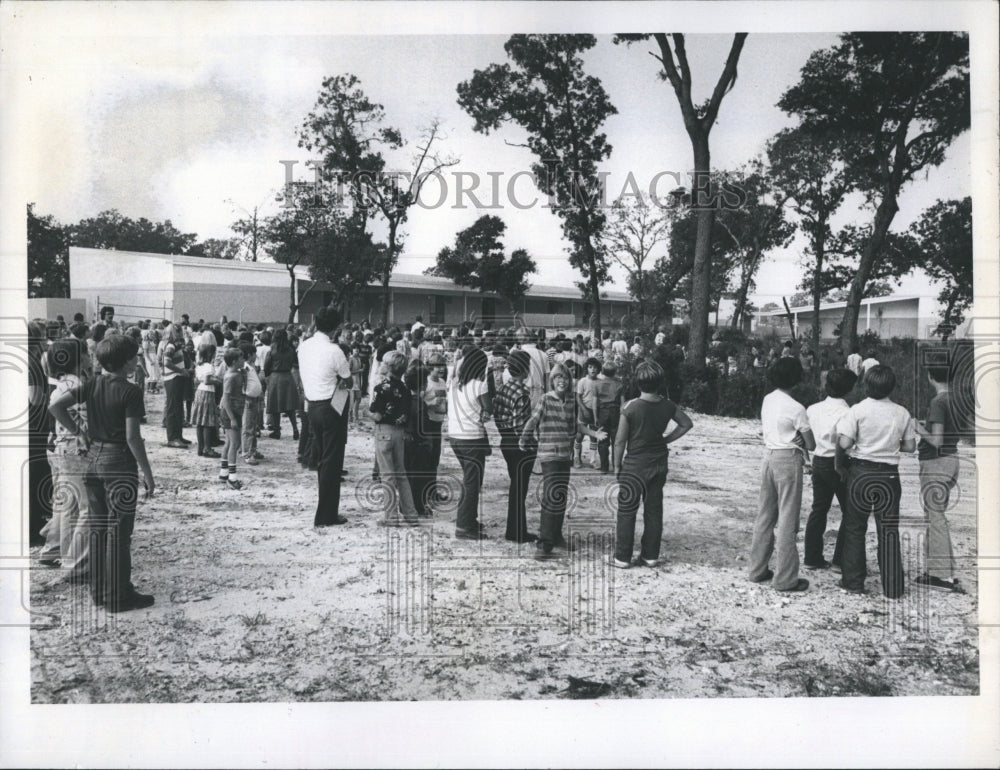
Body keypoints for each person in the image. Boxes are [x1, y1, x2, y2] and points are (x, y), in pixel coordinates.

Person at [49, 333, 155, 612]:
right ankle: (118, 596)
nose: (137, 361)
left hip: (93, 461)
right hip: (118, 462)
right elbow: (133, 438)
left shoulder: (91, 383)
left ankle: (99, 591)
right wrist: (148, 472)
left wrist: (79, 433)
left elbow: (56, 406)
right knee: (119, 533)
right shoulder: (131, 391)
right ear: (126, 362)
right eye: (134, 357)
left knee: (98, 530)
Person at [836, 365, 916, 598]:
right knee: (889, 530)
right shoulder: (902, 412)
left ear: (866, 385)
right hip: (889, 475)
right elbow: (910, 446)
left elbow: (844, 444)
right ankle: (892, 588)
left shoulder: (858, 410)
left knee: (855, 527)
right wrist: (890, 446)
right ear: (892, 386)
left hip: (861, 471)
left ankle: (853, 582)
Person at [611, 360, 693, 568]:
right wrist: (666, 440)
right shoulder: (667, 405)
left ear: (637, 383)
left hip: (635, 465)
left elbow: (620, 441)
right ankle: (650, 555)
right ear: (660, 382)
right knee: (654, 510)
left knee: (627, 511)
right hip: (658, 462)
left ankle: (622, 557)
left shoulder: (630, 407)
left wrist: (616, 465)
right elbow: (686, 424)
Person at [521, 363, 606, 560]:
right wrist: (524, 439)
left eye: (565, 378)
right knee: (551, 498)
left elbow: (576, 426)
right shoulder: (545, 399)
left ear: (569, 382)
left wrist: (594, 433)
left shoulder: (570, 402)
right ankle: (543, 545)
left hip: (564, 456)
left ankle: (556, 536)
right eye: (558, 377)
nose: (562, 381)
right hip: (549, 455)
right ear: (552, 381)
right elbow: (532, 421)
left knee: (560, 496)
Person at [748, 357, 815, 593]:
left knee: (765, 515)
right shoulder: (797, 408)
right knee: (788, 519)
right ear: (796, 379)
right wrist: (799, 437)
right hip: (788, 459)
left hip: (769, 456)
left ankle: (757, 569)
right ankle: (785, 579)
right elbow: (811, 443)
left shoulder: (768, 399)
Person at [39, 338, 92, 579]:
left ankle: (52, 549)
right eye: (87, 353)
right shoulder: (76, 383)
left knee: (65, 502)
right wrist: (79, 431)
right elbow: (64, 412)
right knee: (85, 508)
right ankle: (75, 563)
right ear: (78, 358)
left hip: (59, 448)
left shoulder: (61, 381)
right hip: (74, 449)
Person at [298, 306, 353, 527]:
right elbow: (347, 380)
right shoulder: (335, 350)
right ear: (336, 329)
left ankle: (325, 511)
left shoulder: (304, 346)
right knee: (332, 461)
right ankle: (326, 514)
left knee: (322, 458)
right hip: (332, 405)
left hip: (312, 405)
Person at [913, 364, 965, 593]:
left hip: (936, 461)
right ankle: (937, 570)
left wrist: (917, 426)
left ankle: (941, 575)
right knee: (936, 516)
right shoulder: (957, 400)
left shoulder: (937, 402)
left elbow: (936, 440)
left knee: (934, 518)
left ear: (930, 376)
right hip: (952, 460)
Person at [803, 368, 857, 570]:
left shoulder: (813, 408)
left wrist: (806, 459)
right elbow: (842, 443)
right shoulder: (847, 412)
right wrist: (839, 466)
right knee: (849, 511)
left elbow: (804, 436)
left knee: (819, 508)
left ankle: (812, 557)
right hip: (837, 462)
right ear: (850, 389)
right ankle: (840, 559)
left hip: (818, 460)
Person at [370, 352, 421, 526]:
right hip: (399, 433)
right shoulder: (405, 389)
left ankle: (391, 517)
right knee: (401, 474)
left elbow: (377, 415)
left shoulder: (381, 388)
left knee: (387, 475)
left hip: (384, 431)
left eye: (384, 363)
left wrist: (366, 413)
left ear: (390, 367)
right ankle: (411, 514)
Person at [447, 347, 492, 540]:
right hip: (472, 437)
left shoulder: (455, 383)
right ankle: (464, 526)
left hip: (455, 435)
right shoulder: (480, 385)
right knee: (472, 483)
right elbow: (489, 407)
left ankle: (468, 519)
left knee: (470, 480)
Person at [492, 350, 537, 543]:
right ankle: (517, 532)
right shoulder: (521, 394)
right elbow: (520, 426)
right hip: (519, 443)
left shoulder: (503, 388)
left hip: (505, 439)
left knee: (515, 488)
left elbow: (497, 415)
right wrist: (531, 443)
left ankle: (515, 529)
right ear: (525, 368)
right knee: (520, 490)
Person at [404, 356, 447, 517]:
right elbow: (417, 402)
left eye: (442, 365)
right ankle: (424, 495)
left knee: (434, 459)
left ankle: (432, 490)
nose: (441, 368)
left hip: (438, 422)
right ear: (430, 368)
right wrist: (430, 404)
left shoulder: (442, 382)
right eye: (437, 366)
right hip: (426, 423)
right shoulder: (425, 383)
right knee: (425, 461)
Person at [264, 329, 300, 440]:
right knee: (290, 406)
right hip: (288, 377)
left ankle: (277, 431)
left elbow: (266, 366)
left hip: (275, 377)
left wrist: (267, 374)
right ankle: (295, 428)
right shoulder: (290, 350)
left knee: (276, 406)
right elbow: (295, 362)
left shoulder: (272, 350)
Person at [160, 324, 190, 448]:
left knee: (178, 408)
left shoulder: (175, 345)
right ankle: (172, 438)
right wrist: (180, 370)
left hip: (176, 378)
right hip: (172, 378)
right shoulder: (171, 345)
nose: (180, 333)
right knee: (173, 408)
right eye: (177, 331)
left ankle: (178, 435)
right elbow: (166, 362)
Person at [192, 343, 222, 458]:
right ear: (210, 354)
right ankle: (207, 448)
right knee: (208, 423)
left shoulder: (199, 365)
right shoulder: (209, 366)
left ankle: (201, 447)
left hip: (199, 392)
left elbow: (197, 380)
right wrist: (217, 381)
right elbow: (207, 381)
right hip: (207, 393)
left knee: (200, 422)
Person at [238, 340, 265, 466]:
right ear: (249, 354)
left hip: (254, 399)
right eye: (254, 354)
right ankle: (247, 453)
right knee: (248, 427)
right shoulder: (243, 367)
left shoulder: (250, 366)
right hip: (248, 399)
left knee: (253, 427)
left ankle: (252, 450)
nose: (256, 356)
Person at [595, 361, 625, 474]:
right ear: (615, 372)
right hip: (615, 412)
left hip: (602, 411)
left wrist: (595, 416)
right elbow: (623, 403)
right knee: (615, 440)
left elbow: (595, 402)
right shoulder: (619, 384)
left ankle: (604, 467)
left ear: (602, 371)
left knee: (602, 440)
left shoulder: (598, 384)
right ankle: (616, 465)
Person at [574, 357, 601, 469]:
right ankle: (576, 457)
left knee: (594, 436)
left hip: (595, 412)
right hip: (583, 410)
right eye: (590, 367)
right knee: (580, 435)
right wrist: (583, 409)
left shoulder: (600, 382)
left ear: (598, 369)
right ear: (587, 369)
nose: (593, 369)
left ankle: (593, 460)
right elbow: (578, 397)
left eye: (595, 367)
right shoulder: (583, 381)